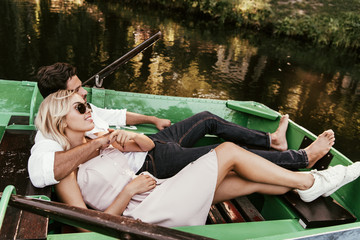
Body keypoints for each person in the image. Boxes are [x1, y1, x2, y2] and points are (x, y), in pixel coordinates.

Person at [33, 90, 360, 227]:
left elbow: (149, 147)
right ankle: (310, 179)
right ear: (62, 122)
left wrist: (130, 137)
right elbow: (91, 229)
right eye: (80, 107)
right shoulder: (65, 172)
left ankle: (305, 186)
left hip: (160, 188)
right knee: (229, 152)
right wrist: (128, 192)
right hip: (147, 211)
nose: (89, 109)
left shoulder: (100, 139)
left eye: (87, 103)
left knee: (241, 182)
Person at [29, 63, 334, 187]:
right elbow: (41, 173)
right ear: (59, 99)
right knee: (225, 151)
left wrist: (152, 119)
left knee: (206, 118)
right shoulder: (49, 134)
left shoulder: (83, 108)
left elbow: (117, 116)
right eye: (77, 91)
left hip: (149, 143)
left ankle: (272, 141)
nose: (85, 93)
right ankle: (303, 159)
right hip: (150, 163)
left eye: (82, 88)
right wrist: (98, 143)